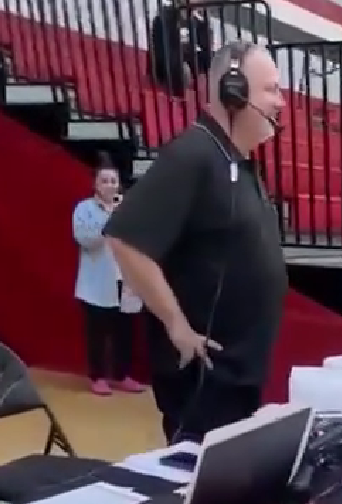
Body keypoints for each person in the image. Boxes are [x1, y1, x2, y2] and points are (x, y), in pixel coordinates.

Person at [106, 41, 287, 443]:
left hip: (238, 375)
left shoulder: (236, 163)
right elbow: (126, 239)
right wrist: (178, 326)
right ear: (234, 91)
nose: (281, 102)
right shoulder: (192, 155)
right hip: (205, 379)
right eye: (271, 89)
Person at [72, 156, 145, 396]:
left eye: (113, 181)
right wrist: (110, 219)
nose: (110, 185)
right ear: (95, 184)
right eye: (104, 181)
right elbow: (85, 239)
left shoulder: (127, 207)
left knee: (125, 331)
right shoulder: (84, 209)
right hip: (96, 282)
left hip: (125, 278)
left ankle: (122, 375)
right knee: (98, 332)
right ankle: (98, 376)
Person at [148, 0, 214, 98]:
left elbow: (206, 47)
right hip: (168, 64)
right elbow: (163, 53)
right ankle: (178, 90)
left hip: (186, 58)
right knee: (183, 69)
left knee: (216, 57)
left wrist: (205, 25)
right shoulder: (163, 19)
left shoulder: (195, 20)